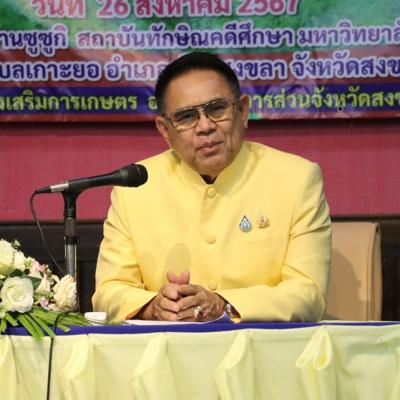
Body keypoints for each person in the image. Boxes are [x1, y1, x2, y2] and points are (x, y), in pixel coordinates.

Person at [92, 51, 331, 323]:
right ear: (165, 130)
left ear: (242, 110)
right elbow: (108, 292)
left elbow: (309, 294)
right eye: (186, 117)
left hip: (263, 346)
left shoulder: (296, 179)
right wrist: (152, 308)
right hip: (167, 346)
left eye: (217, 109)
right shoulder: (135, 188)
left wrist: (222, 306)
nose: (205, 126)